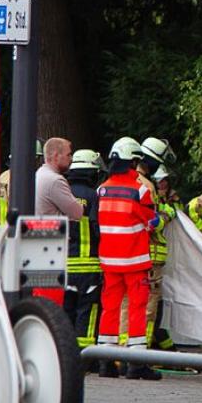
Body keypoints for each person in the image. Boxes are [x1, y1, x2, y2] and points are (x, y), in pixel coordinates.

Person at [96, 137, 161, 381]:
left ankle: (106, 363)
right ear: (133, 161)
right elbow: (151, 222)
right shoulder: (140, 189)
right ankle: (136, 365)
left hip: (109, 262)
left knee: (109, 309)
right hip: (134, 261)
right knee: (137, 309)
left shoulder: (102, 189)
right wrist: (161, 219)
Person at [64, 149, 103, 365]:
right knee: (87, 312)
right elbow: (99, 229)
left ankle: (66, 357)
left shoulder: (62, 192)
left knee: (67, 311)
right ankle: (85, 358)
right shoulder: (93, 196)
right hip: (88, 266)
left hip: (64, 265)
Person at [146, 164, 181, 353]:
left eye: (165, 180)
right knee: (150, 308)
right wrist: (167, 214)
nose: (163, 184)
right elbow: (152, 223)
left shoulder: (171, 199)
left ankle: (161, 346)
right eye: (160, 180)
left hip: (159, 260)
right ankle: (146, 348)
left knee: (156, 306)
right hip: (149, 259)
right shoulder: (149, 196)